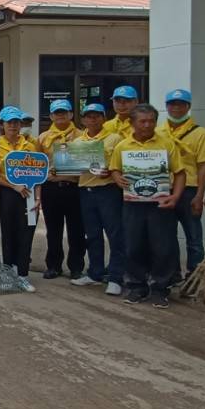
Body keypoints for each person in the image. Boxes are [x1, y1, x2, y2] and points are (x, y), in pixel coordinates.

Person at [110, 104, 187, 308]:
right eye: (142, 121)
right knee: (133, 245)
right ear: (132, 123)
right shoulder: (123, 146)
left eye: (151, 121)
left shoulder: (166, 144)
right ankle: (137, 286)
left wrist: (175, 197)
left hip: (160, 203)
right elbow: (114, 169)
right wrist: (117, 178)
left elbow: (180, 173)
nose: (147, 125)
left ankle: (160, 289)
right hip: (132, 204)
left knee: (162, 247)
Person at [160, 88, 205, 285]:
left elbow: (203, 166)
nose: (176, 108)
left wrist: (199, 195)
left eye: (181, 104)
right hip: (164, 189)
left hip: (189, 190)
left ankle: (194, 275)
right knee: (167, 236)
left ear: (188, 106)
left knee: (194, 236)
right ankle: (172, 273)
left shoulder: (200, 133)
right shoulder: (159, 132)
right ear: (166, 107)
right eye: (172, 104)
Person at [70, 103, 126, 296]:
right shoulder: (77, 142)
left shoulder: (114, 138)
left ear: (103, 118)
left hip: (108, 190)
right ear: (83, 119)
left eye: (96, 116)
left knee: (115, 234)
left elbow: (122, 164)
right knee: (92, 235)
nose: (92, 119)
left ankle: (116, 277)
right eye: (88, 116)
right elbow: (72, 168)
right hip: (85, 191)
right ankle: (95, 273)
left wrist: (110, 171)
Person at [0, 107, 39, 293]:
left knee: (25, 233)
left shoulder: (30, 146)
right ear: (2, 125)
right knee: (5, 234)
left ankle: (22, 275)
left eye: (16, 122)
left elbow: (38, 174)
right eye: (9, 122)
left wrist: (38, 197)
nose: (13, 126)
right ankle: (6, 274)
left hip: (27, 194)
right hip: (5, 193)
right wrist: (13, 186)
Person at [38, 99, 87, 280]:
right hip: (51, 189)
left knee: (77, 230)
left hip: (75, 188)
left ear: (71, 114)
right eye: (56, 112)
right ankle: (53, 265)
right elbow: (37, 164)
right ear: (51, 116)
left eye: (64, 112)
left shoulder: (82, 136)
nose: (60, 115)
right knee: (53, 230)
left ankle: (76, 267)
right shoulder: (43, 138)